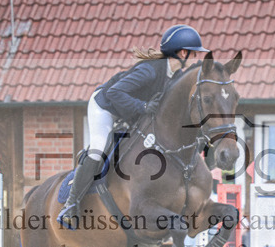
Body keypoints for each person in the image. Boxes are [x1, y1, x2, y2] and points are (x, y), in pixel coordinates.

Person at [57, 25, 210, 228]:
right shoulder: (149, 71)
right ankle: (71, 203)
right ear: (182, 53)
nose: (196, 57)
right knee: (99, 149)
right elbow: (114, 93)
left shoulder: (173, 76)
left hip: (130, 112)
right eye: (194, 53)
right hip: (106, 107)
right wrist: (144, 106)